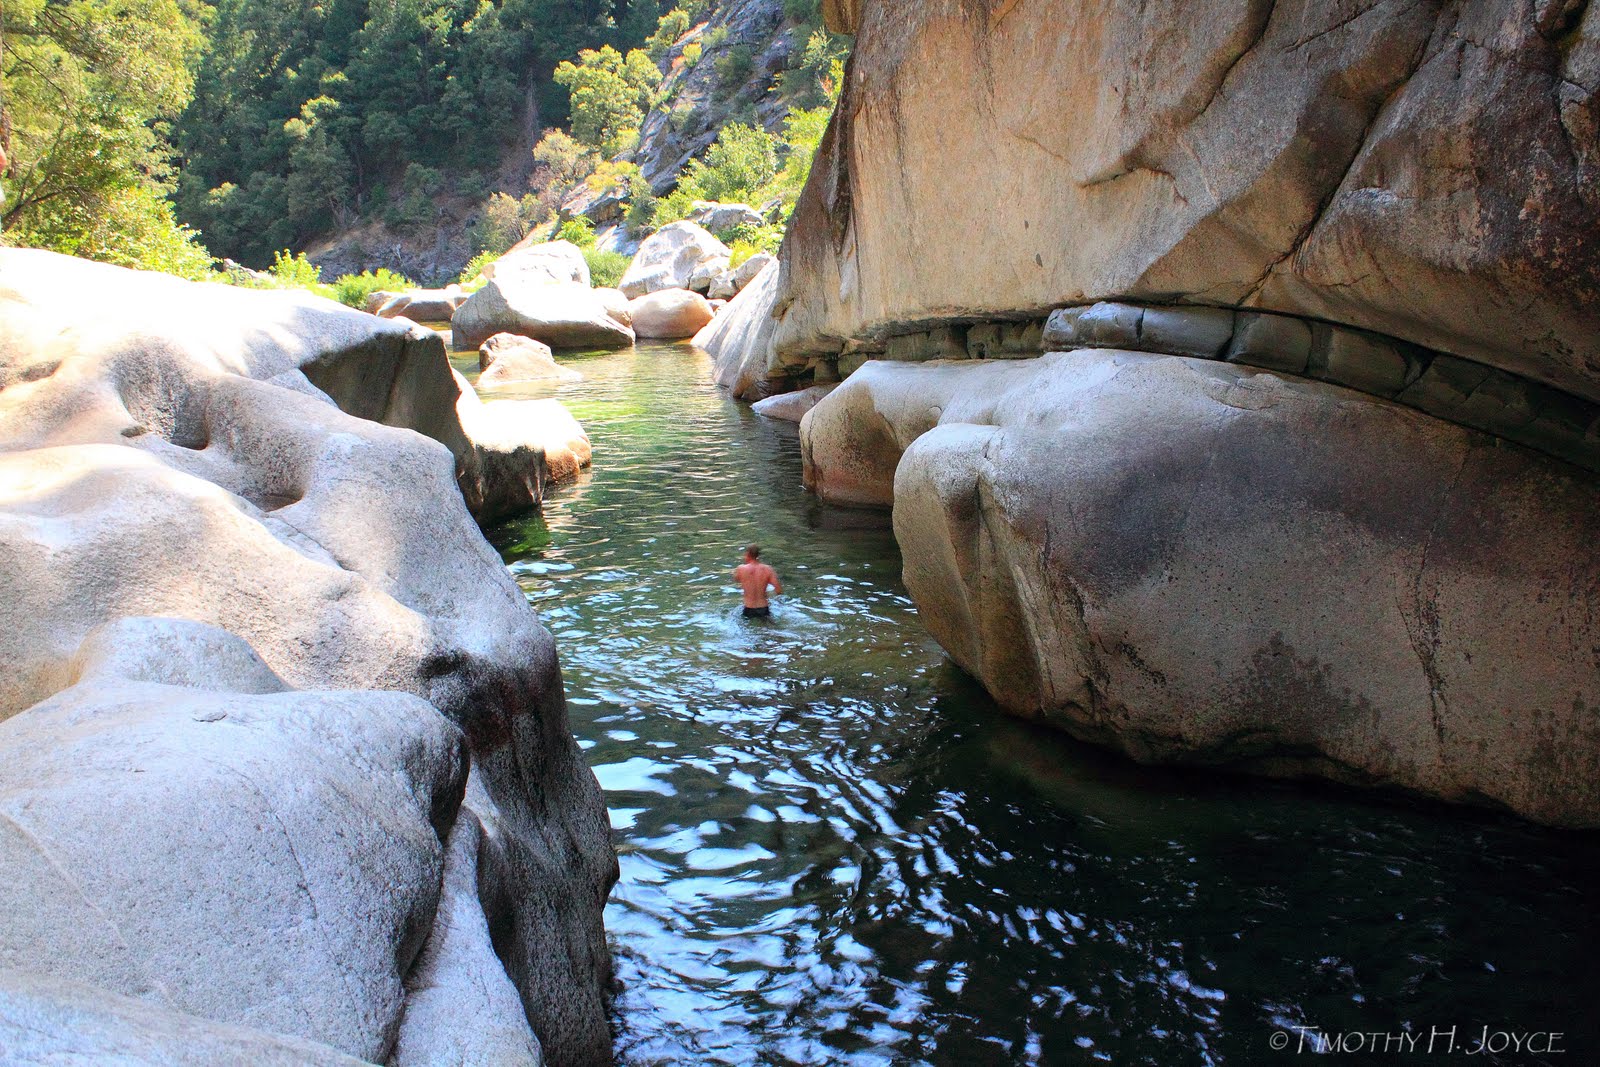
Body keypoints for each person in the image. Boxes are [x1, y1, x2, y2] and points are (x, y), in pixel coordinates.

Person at [733, 544, 782, 619]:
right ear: (758, 555)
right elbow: (778, 590)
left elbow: (736, 579)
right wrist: (766, 594)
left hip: (748, 608)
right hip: (763, 608)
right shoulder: (768, 569)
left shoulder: (740, 569)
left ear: (747, 554)